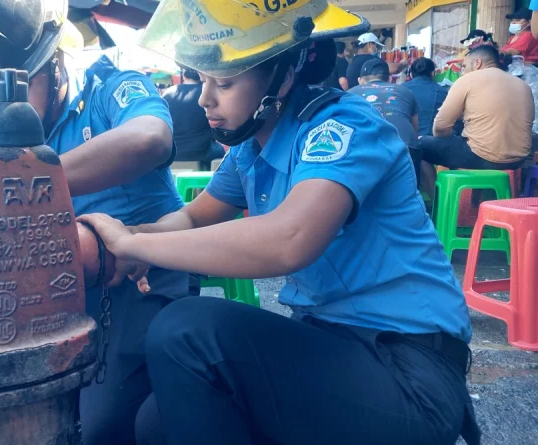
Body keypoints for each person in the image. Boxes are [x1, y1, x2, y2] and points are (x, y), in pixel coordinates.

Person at [77, 0, 482, 444]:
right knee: (156, 422)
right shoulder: (252, 148)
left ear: (284, 73)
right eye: (203, 80)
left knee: (187, 331)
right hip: (336, 348)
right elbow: (194, 216)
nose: (205, 99)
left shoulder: (342, 127)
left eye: (225, 83)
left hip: (407, 371)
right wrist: (130, 236)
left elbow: (289, 239)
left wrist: (137, 247)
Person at [0, 1, 190, 444]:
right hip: (51, 286)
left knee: (100, 429)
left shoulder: (112, 87)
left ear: (53, 64)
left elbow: (150, 138)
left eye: (15, 88)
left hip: (139, 274)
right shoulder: (9, 129)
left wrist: (25, 183)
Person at [419, 44, 534, 193]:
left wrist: (445, 141)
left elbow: (441, 126)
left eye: (464, 66)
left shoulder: (468, 79)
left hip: (483, 157)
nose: (462, 71)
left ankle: (438, 202)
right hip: (518, 160)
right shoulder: (523, 85)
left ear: (477, 63)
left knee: (419, 145)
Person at [349, 58, 419, 147]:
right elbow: (415, 131)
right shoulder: (405, 91)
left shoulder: (350, 94)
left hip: (365, 151)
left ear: (360, 81)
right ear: (389, 79)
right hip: (406, 150)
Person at [162, 68, 224, 168]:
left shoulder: (167, 94)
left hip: (171, 152)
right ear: (201, 76)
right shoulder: (207, 94)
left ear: (184, 76)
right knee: (222, 152)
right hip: (202, 151)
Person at [403, 57, 448, 137]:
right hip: (432, 142)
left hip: (406, 141)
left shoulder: (399, 90)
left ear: (411, 74)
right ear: (433, 73)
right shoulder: (443, 92)